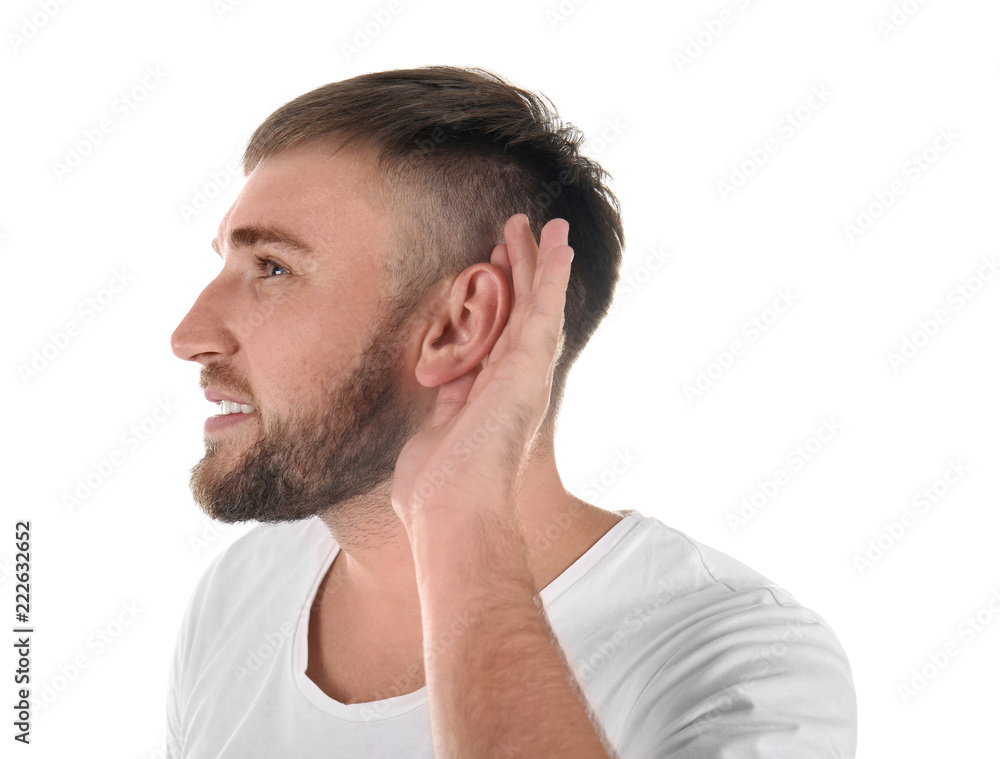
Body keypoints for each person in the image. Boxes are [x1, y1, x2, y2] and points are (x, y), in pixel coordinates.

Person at [166, 65, 857, 758]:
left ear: (460, 324)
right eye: (226, 263)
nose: (188, 336)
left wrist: (456, 515)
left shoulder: (744, 666)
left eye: (273, 268)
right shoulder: (241, 594)